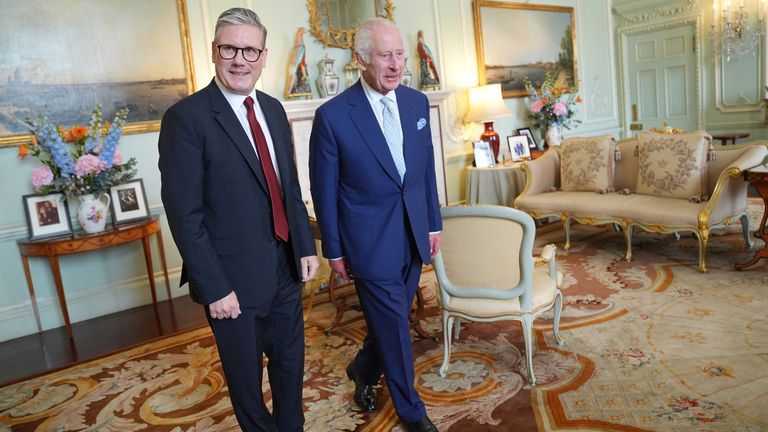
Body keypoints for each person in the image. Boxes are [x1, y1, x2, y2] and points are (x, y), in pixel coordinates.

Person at [158, 8, 319, 432]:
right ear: (214, 51)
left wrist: (304, 246)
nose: (240, 59)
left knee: (290, 373)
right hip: (231, 285)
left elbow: (289, 187)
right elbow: (184, 215)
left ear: (264, 56)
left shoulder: (272, 108)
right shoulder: (186, 119)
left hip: (284, 272)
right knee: (248, 390)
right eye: (230, 47)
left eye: (250, 49)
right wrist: (215, 288)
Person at [309, 17, 442, 432]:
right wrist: (334, 249)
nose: (396, 63)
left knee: (390, 322)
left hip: (414, 234)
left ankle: (363, 369)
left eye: (399, 54)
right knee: (397, 332)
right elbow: (325, 191)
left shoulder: (418, 103)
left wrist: (433, 224)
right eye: (385, 55)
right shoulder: (332, 116)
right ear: (361, 59)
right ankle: (412, 411)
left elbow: (426, 172)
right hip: (369, 243)